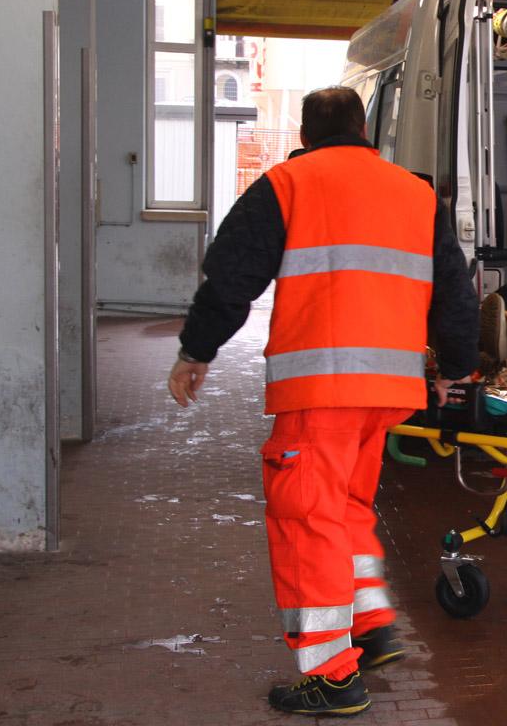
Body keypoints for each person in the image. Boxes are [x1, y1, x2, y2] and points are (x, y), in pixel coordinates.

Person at [167, 86, 478, 717]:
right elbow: (456, 291)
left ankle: (332, 675)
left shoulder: (289, 183)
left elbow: (229, 276)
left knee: (306, 519)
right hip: (390, 393)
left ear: (306, 134)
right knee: (342, 509)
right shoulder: (418, 194)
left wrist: (197, 350)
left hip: (322, 390)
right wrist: (455, 371)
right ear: (366, 131)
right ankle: (368, 628)